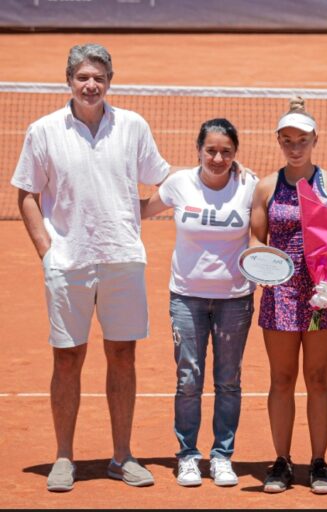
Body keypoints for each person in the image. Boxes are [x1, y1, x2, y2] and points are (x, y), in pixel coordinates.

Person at [10, 43, 168, 491]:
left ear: (110, 81)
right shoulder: (42, 131)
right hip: (69, 264)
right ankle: (64, 457)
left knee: (123, 356)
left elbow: (164, 182)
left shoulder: (133, 126)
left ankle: (122, 456)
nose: (91, 85)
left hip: (123, 261)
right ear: (69, 81)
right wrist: (47, 251)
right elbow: (26, 194)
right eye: (83, 77)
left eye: (98, 77)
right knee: (68, 359)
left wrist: (131, 215)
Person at [140, 119, 257, 487]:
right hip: (186, 299)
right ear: (199, 150)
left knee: (228, 380)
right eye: (211, 150)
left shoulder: (249, 185)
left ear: (236, 154)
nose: (218, 158)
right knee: (188, 379)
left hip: (234, 300)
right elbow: (143, 210)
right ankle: (188, 455)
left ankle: (222, 457)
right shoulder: (179, 184)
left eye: (226, 151)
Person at [249, 97, 327, 495]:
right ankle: (281, 461)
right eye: (287, 140)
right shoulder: (265, 187)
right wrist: (262, 270)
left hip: (322, 294)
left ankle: (320, 462)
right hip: (281, 296)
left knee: (318, 377)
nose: (295, 147)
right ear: (279, 141)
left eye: (302, 140)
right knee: (282, 378)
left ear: (314, 139)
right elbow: (256, 245)